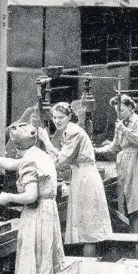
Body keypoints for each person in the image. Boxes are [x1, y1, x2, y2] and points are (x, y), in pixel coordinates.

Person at [0, 123, 65, 274]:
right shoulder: (38, 154)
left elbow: (31, 196)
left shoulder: (28, 161)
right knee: (45, 273)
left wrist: (7, 198)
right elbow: (13, 164)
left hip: (36, 215)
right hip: (48, 213)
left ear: (15, 146)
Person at [38, 102, 112, 256]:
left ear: (69, 117)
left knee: (88, 231)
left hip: (85, 179)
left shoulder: (73, 132)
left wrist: (46, 141)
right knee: (86, 228)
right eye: (54, 117)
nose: (57, 121)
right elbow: (63, 163)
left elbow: (61, 161)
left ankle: (86, 273)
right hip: (80, 176)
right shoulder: (68, 132)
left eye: (61, 117)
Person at [95, 95, 138, 234]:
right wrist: (95, 150)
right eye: (117, 111)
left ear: (131, 107)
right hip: (123, 163)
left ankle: (136, 238)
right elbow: (115, 147)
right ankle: (129, 237)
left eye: (122, 110)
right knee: (125, 203)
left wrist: (124, 130)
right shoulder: (120, 123)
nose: (119, 114)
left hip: (136, 162)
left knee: (136, 204)